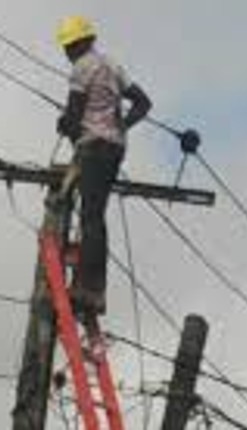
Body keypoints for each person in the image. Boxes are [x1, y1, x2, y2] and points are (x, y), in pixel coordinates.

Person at [55, 16, 152, 318]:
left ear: (82, 42)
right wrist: (123, 124)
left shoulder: (82, 67)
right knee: (96, 215)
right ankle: (94, 289)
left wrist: (66, 127)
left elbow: (73, 115)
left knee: (90, 218)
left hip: (94, 147)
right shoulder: (112, 65)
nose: (68, 52)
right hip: (114, 148)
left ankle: (87, 289)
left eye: (70, 46)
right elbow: (143, 103)